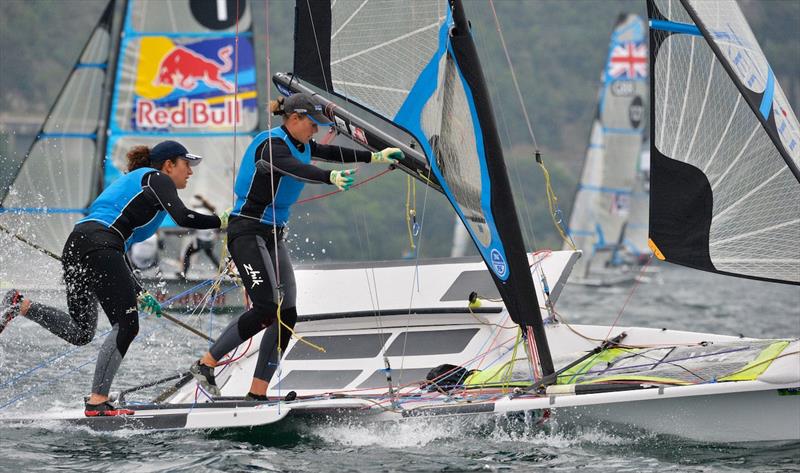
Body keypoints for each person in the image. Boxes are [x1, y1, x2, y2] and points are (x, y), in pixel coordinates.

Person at [189, 92, 403, 400]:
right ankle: (206, 364)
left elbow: (330, 152)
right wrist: (329, 177)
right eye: (311, 124)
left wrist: (375, 156)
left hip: (273, 235)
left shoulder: (302, 144)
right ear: (294, 119)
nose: (315, 130)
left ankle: (257, 393)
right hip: (246, 232)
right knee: (265, 309)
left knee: (286, 314)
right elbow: (294, 168)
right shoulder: (270, 146)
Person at [0, 140, 222, 416]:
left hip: (79, 244)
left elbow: (119, 250)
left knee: (81, 332)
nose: (190, 172)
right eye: (186, 165)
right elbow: (184, 216)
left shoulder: (139, 184)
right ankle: (97, 402)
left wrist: (139, 291)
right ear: (169, 165)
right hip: (100, 244)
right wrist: (224, 221)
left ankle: (20, 304)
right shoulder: (158, 179)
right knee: (127, 326)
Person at [178, 194, 220, 279]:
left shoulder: (197, 211)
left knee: (187, 254)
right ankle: (222, 271)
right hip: (209, 239)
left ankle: (183, 274)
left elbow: (194, 227)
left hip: (200, 240)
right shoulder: (208, 210)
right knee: (210, 255)